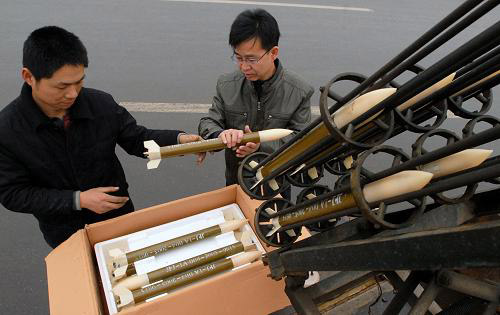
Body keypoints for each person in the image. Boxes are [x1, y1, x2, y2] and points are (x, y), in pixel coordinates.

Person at [0, 26, 203, 248]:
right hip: (64, 233)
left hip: (118, 216)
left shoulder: (101, 104)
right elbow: (13, 193)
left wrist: (179, 141)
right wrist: (77, 200)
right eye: (62, 86)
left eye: (79, 82)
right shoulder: (8, 129)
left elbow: (137, 139)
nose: (73, 94)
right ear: (29, 77)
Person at [198, 8, 313, 196]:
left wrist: (260, 145)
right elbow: (207, 123)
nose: (244, 66)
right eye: (238, 57)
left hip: (277, 187)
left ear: (273, 52)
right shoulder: (227, 85)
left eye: (251, 59)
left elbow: (301, 141)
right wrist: (221, 134)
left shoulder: (299, 91)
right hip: (236, 185)